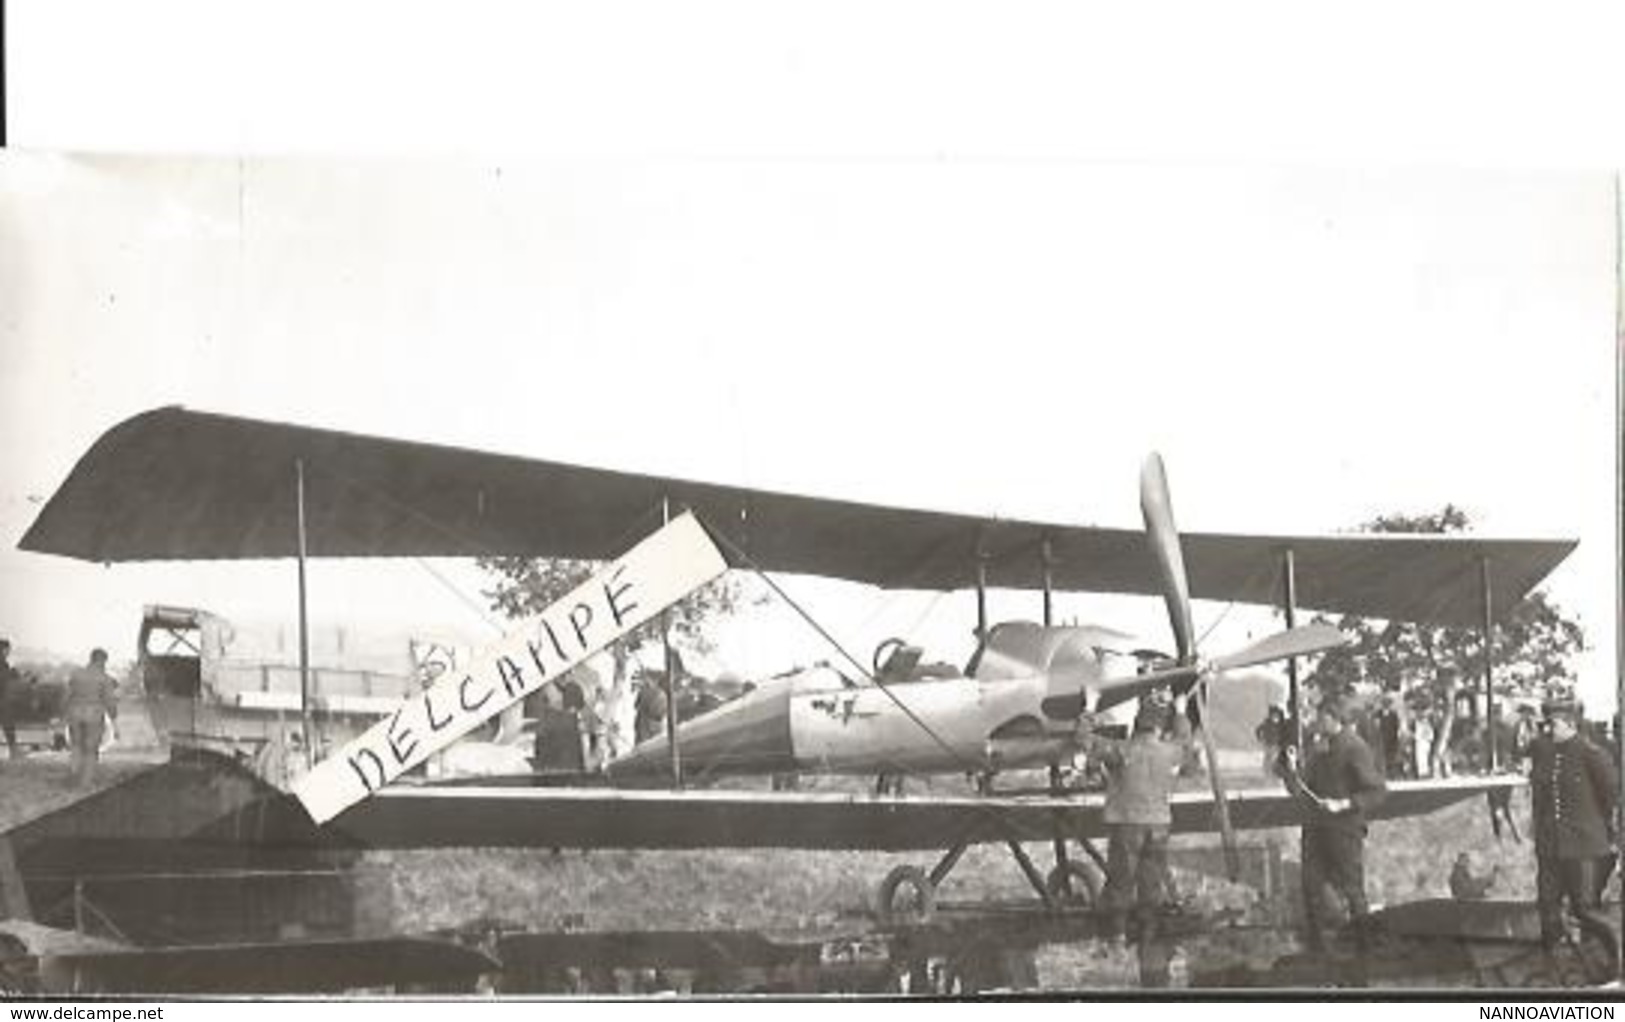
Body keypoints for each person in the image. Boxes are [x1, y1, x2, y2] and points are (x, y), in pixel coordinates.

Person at [1077, 690, 1195, 946]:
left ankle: (1117, 936)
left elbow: (1084, 740)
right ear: (1160, 727)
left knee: (1121, 880)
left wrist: (1090, 705)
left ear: (1137, 724)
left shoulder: (1122, 751)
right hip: (1159, 824)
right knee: (1151, 881)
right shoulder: (1169, 752)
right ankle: (1148, 936)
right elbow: (1185, 742)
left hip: (1127, 823)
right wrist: (1182, 711)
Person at [1283, 694, 1387, 953]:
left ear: (1333, 718)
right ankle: (1317, 950)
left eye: (1320, 717)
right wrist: (1292, 767)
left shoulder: (1356, 748)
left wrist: (1343, 804)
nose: (1316, 722)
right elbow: (1299, 789)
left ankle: (1366, 950)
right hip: (1316, 830)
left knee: (1352, 889)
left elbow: (1377, 791)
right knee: (1311, 887)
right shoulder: (1320, 749)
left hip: (1344, 831)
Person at [1527, 695, 1617, 953]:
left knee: (1584, 908)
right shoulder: (1544, 752)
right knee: (1547, 905)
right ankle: (1553, 963)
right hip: (1550, 846)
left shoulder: (1591, 753)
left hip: (1582, 845)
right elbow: (1541, 796)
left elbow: (1610, 794)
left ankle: (1613, 951)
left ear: (1569, 724)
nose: (1547, 730)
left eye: (1552, 725)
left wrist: (1598, 827)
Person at [66, 647, 119, 788]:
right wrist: (115, 723)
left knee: (76, 746)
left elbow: (67, 695)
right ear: (102, 661)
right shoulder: (105, 678)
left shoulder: (75, 674)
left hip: (74, 713)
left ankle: (73, 776)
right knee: (91, 749)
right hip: (93, 715)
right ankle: (85, 782)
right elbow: (110, 702)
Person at [0, 639, 28, 760]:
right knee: (8, 724)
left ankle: (14, 750)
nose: (9, 652)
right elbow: (4, 678)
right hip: (2, 699)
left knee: (8, 725)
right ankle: (14, 751)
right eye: (7, 649)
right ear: (3, 649)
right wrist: (13, 674)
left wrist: (16, 674)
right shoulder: (2, 663)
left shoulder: (4, 664)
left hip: (3, 698)